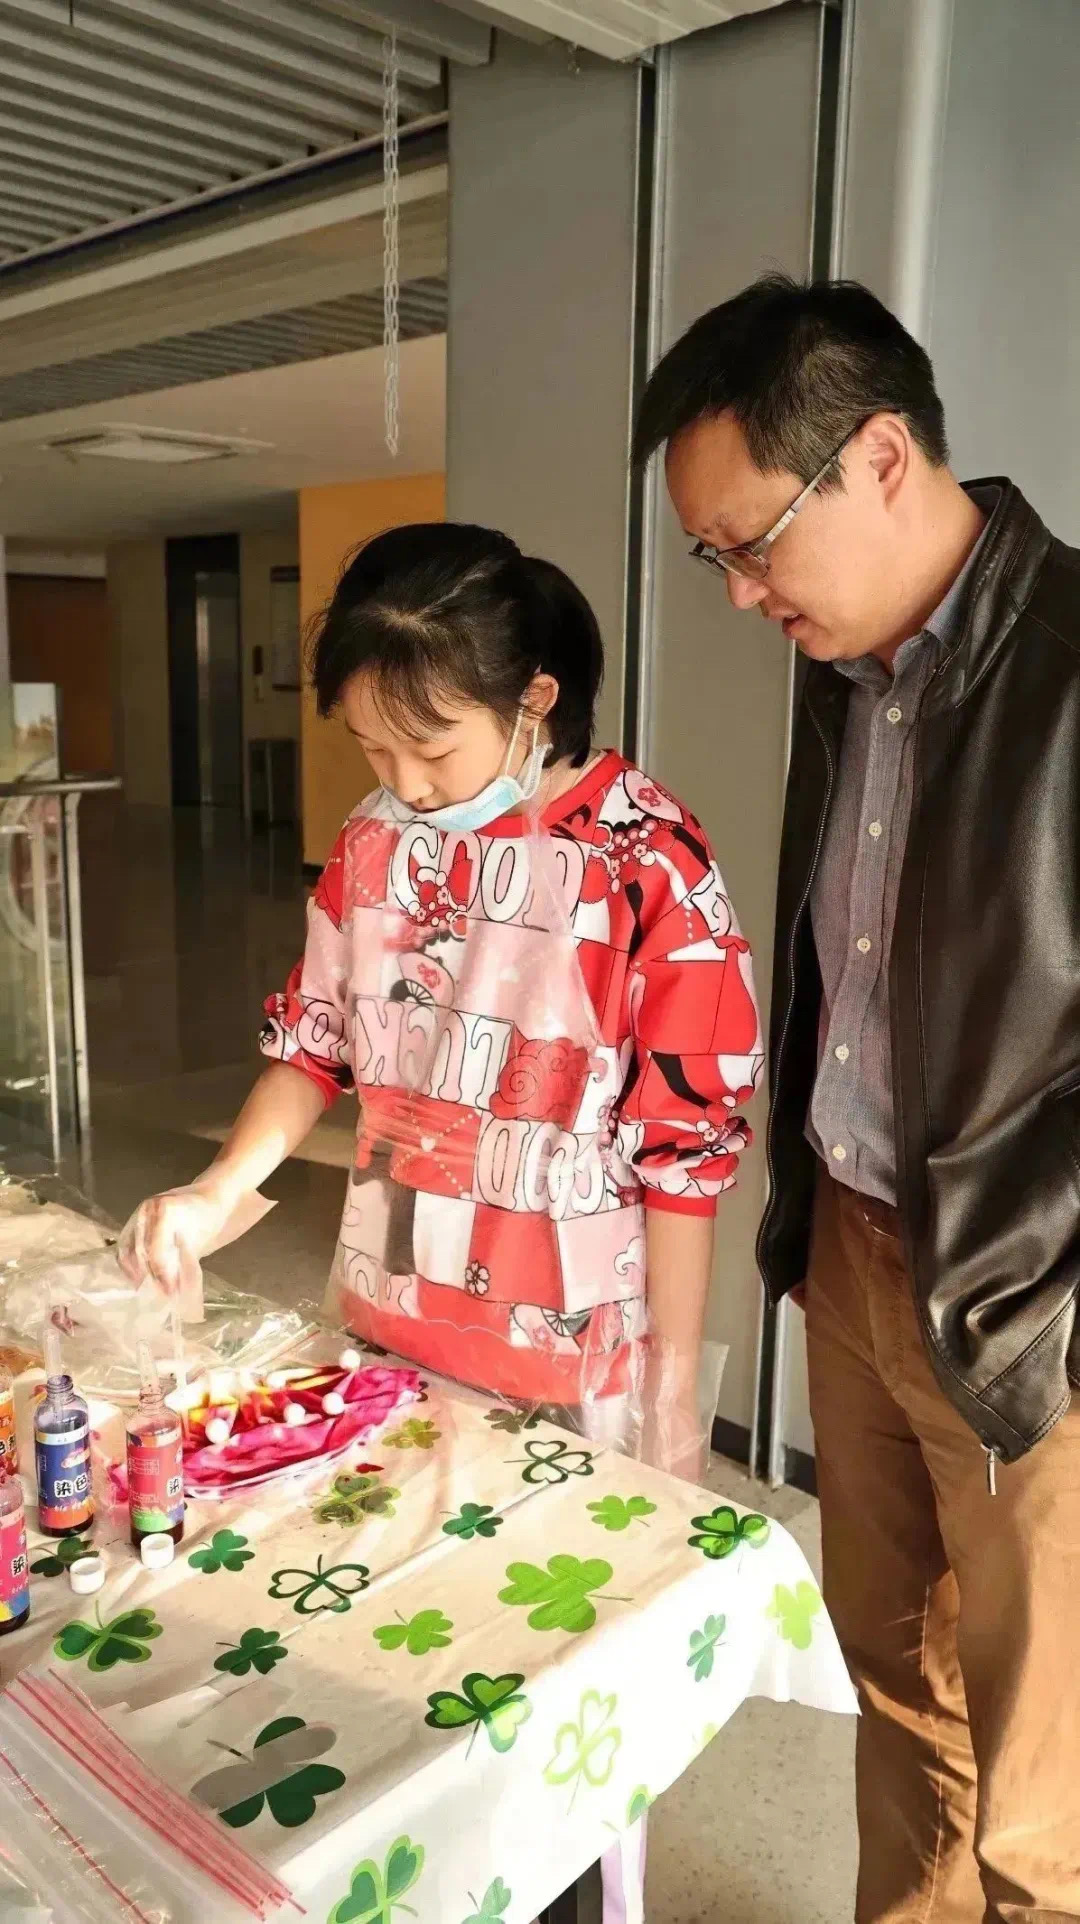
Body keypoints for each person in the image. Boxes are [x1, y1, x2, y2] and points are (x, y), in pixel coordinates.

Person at [634, 270, 1080, 1922]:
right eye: (715, 557)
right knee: (896, 1689)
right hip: (853, 1252)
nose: (743, 593)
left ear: (881, 456)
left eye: (752, 542)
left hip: (1030, 1294)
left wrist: (1053, 1285)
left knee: (1046, 1787)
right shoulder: (848, 672)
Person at [125, 521, 760, 1473]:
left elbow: (684, 1155)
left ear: (534, 700)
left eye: (430, 748)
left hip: (573, 1350)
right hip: (391, 1309)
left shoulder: (647, 858)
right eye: (374, 750)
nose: (407, 786)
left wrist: (670, 1397)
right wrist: (216, 1192)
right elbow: (315, 1044)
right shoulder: (372, 842)